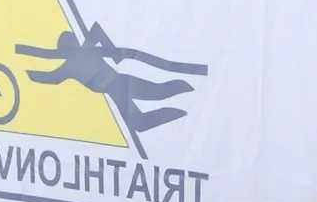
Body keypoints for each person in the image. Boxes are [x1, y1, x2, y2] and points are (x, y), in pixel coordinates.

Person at [19, 24, 201, 133]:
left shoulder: (77, 58)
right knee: (143, 117)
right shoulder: (75, 60)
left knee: (158, 94)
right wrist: (23, 71)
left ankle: (192, 97)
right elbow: (52, 78)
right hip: (116, 88)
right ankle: (183, 109)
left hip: (120, 83)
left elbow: (51, 77)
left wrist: (24, 72)